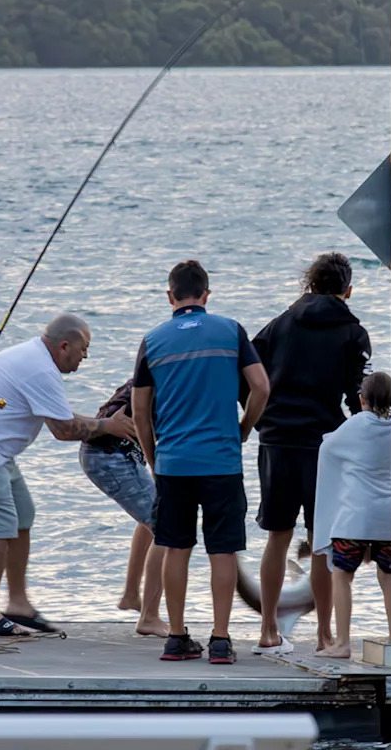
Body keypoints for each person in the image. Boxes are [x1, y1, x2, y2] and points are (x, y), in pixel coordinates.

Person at [0, 313, 134, 636]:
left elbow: (61, 417)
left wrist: (103, 425)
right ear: (64, 345)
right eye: (84, 349)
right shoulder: (41, 370)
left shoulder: (32, 354)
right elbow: (64, 429)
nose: (86, 356)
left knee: (22, 516)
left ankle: (18, 604)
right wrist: (109, 426)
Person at [132, 260, 270, 665]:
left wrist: (154, 455)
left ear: (169, 296)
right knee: (222, 551)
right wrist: (245, 427)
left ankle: (176, 637)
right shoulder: (230, 330)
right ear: (206, 295)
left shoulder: (152, 340)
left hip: (174, 462)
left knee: (175, 548)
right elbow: (261, 386)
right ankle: (221, 640)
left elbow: (140, 411)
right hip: (222, 460)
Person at [251, 252, 372, 654]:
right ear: (347, 290)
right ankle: (323, 635)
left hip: (275, 440)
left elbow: (247, 374)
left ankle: (268, 630)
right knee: (320, 541)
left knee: (277, 537)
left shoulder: (278, 325)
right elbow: (358, 397)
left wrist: (259, 415)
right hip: (323, 444)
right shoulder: (352, 333)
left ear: (309, 284)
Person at [311, 372, 391, 659]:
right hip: (389, 520)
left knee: (342, 575)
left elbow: (328, 447)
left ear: (362, 400)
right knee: (388, 576)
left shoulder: (356, 424)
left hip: (355, 518)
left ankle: (343, 643)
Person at [79, 378, 168, 637]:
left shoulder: (152, 373)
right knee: (166, 527)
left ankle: (131, 595)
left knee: (152, 519)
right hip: (110, 458)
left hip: (110, 454)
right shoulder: (167, 379)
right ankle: (149, 617)